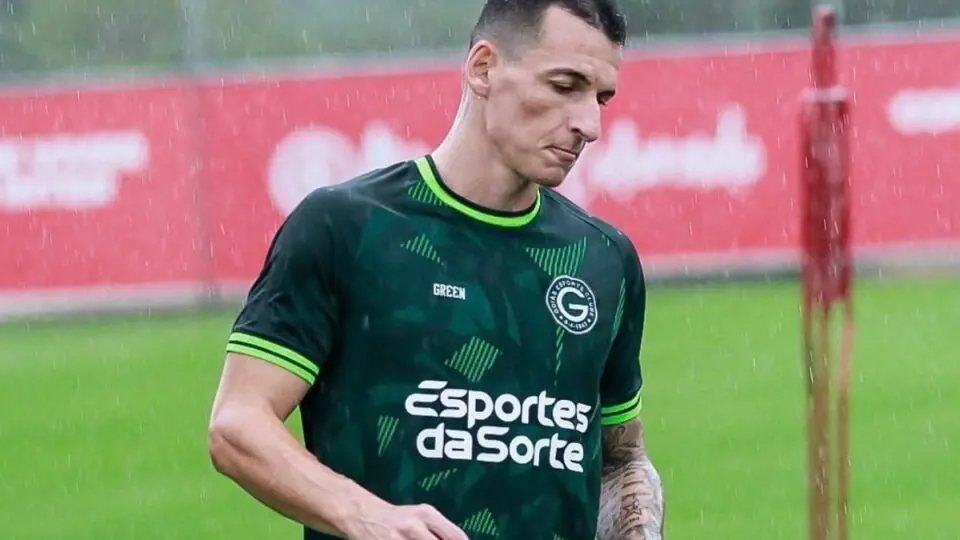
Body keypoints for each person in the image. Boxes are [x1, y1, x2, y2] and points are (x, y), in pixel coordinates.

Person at [207, 0, 665, 539]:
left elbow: (621, 456)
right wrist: (365, 514)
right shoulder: (346, 228)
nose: (590, 124)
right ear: (484, 68)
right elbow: (238, 424)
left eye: (601, 98)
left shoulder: (603, 259)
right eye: (565, 86)